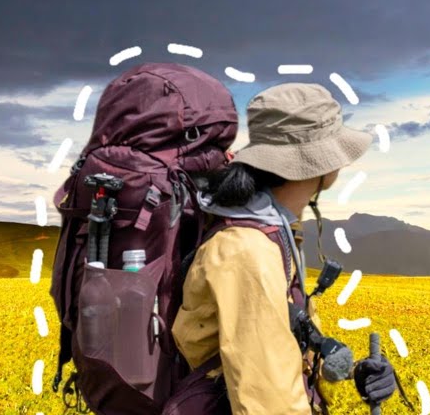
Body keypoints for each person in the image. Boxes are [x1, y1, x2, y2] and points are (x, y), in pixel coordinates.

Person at [169, 82, 398, 414]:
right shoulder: (248, 251)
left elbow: (282, 340)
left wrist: (350, 369)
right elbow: (268, 399)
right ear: (319, 164)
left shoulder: (274, 228)